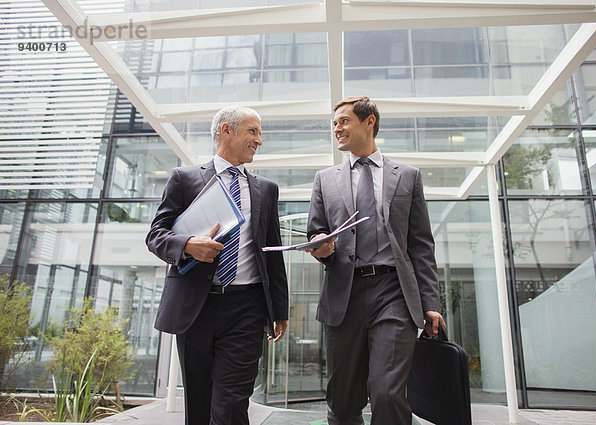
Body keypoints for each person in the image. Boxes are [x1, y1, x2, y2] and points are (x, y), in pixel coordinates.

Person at [146, 105, 289, 425]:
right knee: (199, 400)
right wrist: (187, 246)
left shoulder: (266, 189)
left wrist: (279, 309)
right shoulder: (184, 179)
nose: (259, 140)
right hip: (196, 305)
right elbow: (155, 235)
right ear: (227, 130)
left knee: (231, 402)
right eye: (253, 131)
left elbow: (272, 251)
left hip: (247, 307)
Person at [306, 96, 445, 425]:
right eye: (335, 123)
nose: (337, 128)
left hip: (394, 292)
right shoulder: (325, 179)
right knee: (342, 400)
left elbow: (420, 245)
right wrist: (320, 247)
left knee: (386, 392)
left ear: (369, 122)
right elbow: (317, 232)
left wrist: (431, 301)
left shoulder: (407, 176)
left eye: (344, 121)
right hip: (345, 293)